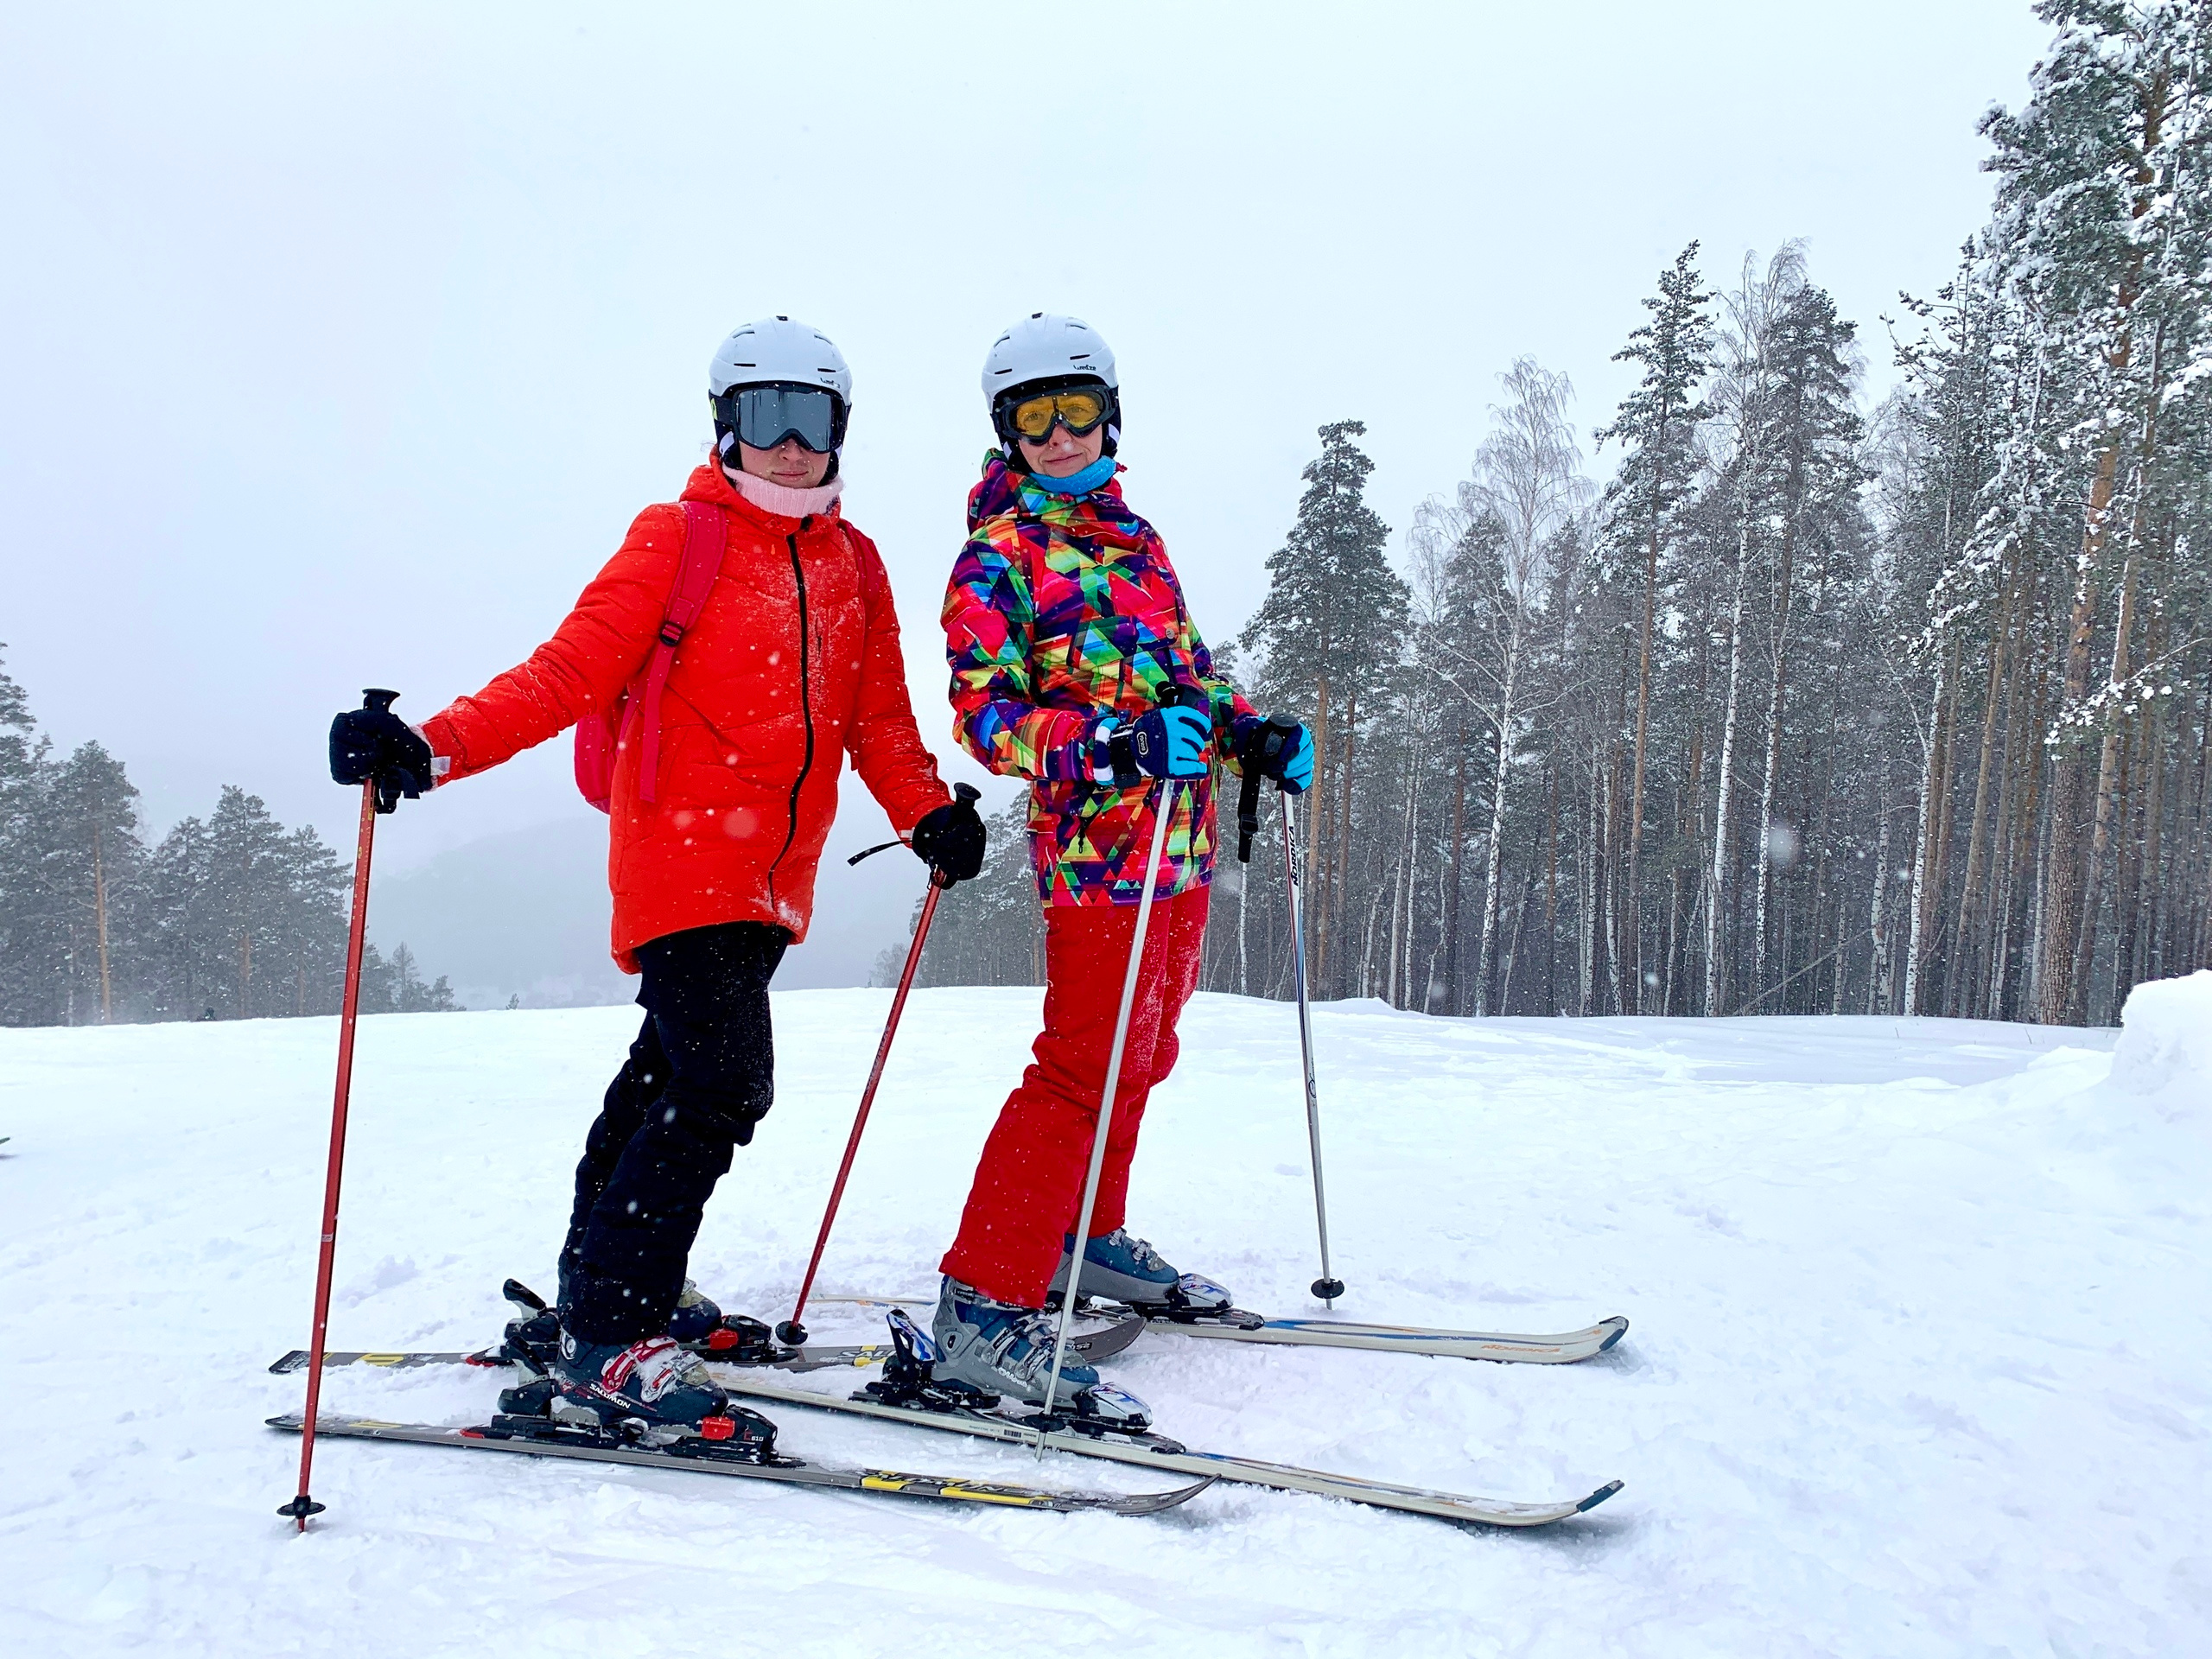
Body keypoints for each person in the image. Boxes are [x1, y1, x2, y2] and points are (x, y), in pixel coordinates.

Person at [327, 317, 985, 1432]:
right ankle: (610, 1334)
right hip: (681, 861)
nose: (789, 445)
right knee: (725, 1084)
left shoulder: (853, 562)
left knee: (660, 1077)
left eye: (811, 419)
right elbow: (568, 670)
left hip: (776, 881)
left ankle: (598, 1284)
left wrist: (927, 811)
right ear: (726, 426)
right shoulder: (676, 535)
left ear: (839, 432)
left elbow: (878, 717)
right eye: (765, 418)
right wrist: (431, 746)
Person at [928, 314, 1313, 1415]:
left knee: (1143, 1055)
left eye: (1075, 409)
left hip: (1180, 848)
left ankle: (1079, 1238)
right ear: (1006, 433)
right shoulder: (997, 556)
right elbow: (986, 718)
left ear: (1109, 415)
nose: (1057, 435)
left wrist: (1246, 730)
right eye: (1032, 417)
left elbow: (1184, 676)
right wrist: (1111, 745)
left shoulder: (1136, 541)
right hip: (1098, 857)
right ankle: (982, 1299)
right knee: (1081, 1066)